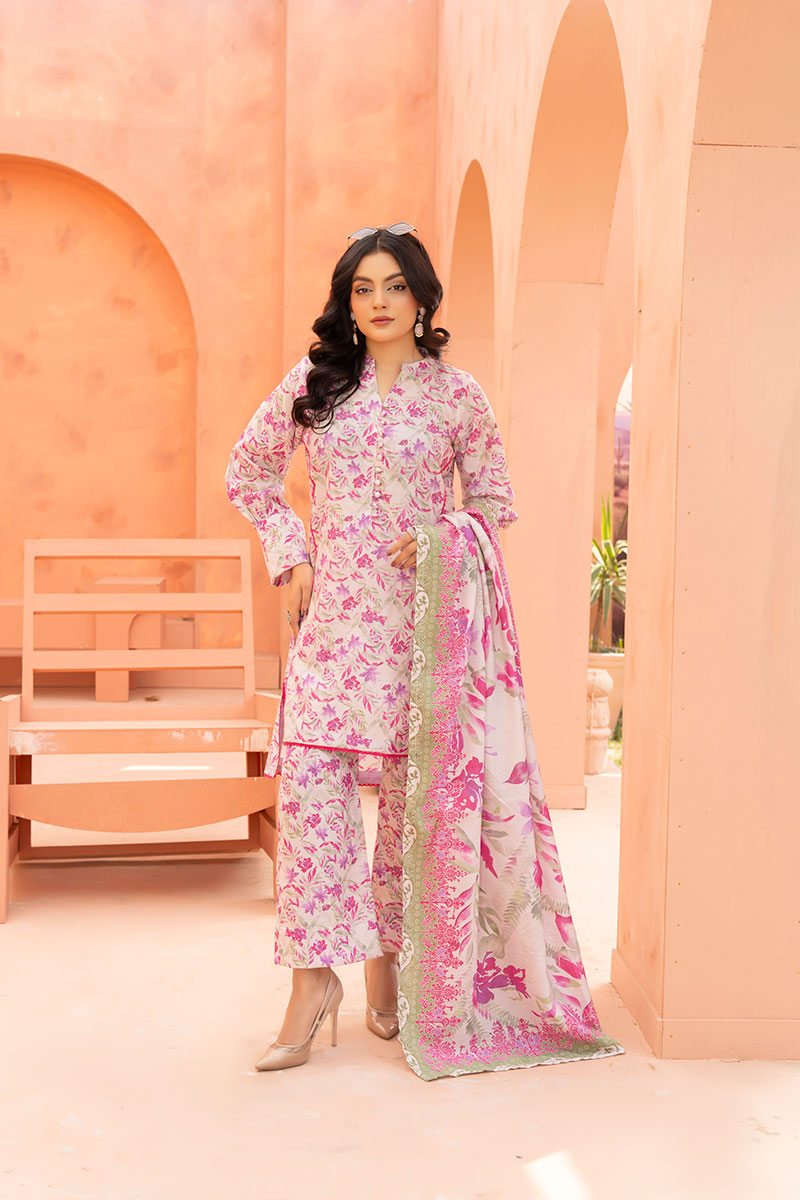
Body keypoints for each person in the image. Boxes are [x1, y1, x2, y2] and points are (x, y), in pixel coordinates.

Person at [225, 221, 519, 1071]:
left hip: (421, 629)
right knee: (312, 801)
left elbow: (493, 505)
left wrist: (440, 537)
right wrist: (292, 555)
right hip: (333, 627)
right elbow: (249, 472)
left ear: (421, 297)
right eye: (363, 288)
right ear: (347, 301)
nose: (380, 301)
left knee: (405, 808)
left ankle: (390, 969)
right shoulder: (317, 382)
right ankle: (313, 982)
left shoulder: (456, 396)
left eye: (395, 286)